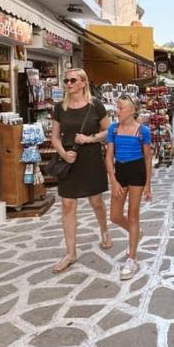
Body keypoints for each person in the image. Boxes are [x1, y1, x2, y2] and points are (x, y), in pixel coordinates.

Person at [50, 68, 112, 274]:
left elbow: (109, 131)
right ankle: (70, 253)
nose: (68, 84)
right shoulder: (60, 107)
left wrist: (90, 138)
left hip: (91, 158)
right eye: (66, 80)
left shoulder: (95, 105)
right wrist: (63, 153)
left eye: (72, 80)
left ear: (83, 83)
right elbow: (55, 137)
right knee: (67, 205)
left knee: (96, 201)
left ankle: (104, 230)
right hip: (69, 160)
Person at [106, 95, 153, 280]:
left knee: (133, 215)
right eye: (117, 107)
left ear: (132, 111)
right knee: (115, 215)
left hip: (137, 171)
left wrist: (148, 184)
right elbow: (109, 156)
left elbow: (147, 158)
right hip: (121, 171)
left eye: (121, 108)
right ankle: (136, 232)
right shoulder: (113, 129)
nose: (117, 111)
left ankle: (132, 259)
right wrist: (113, 180)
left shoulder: (143, 131)